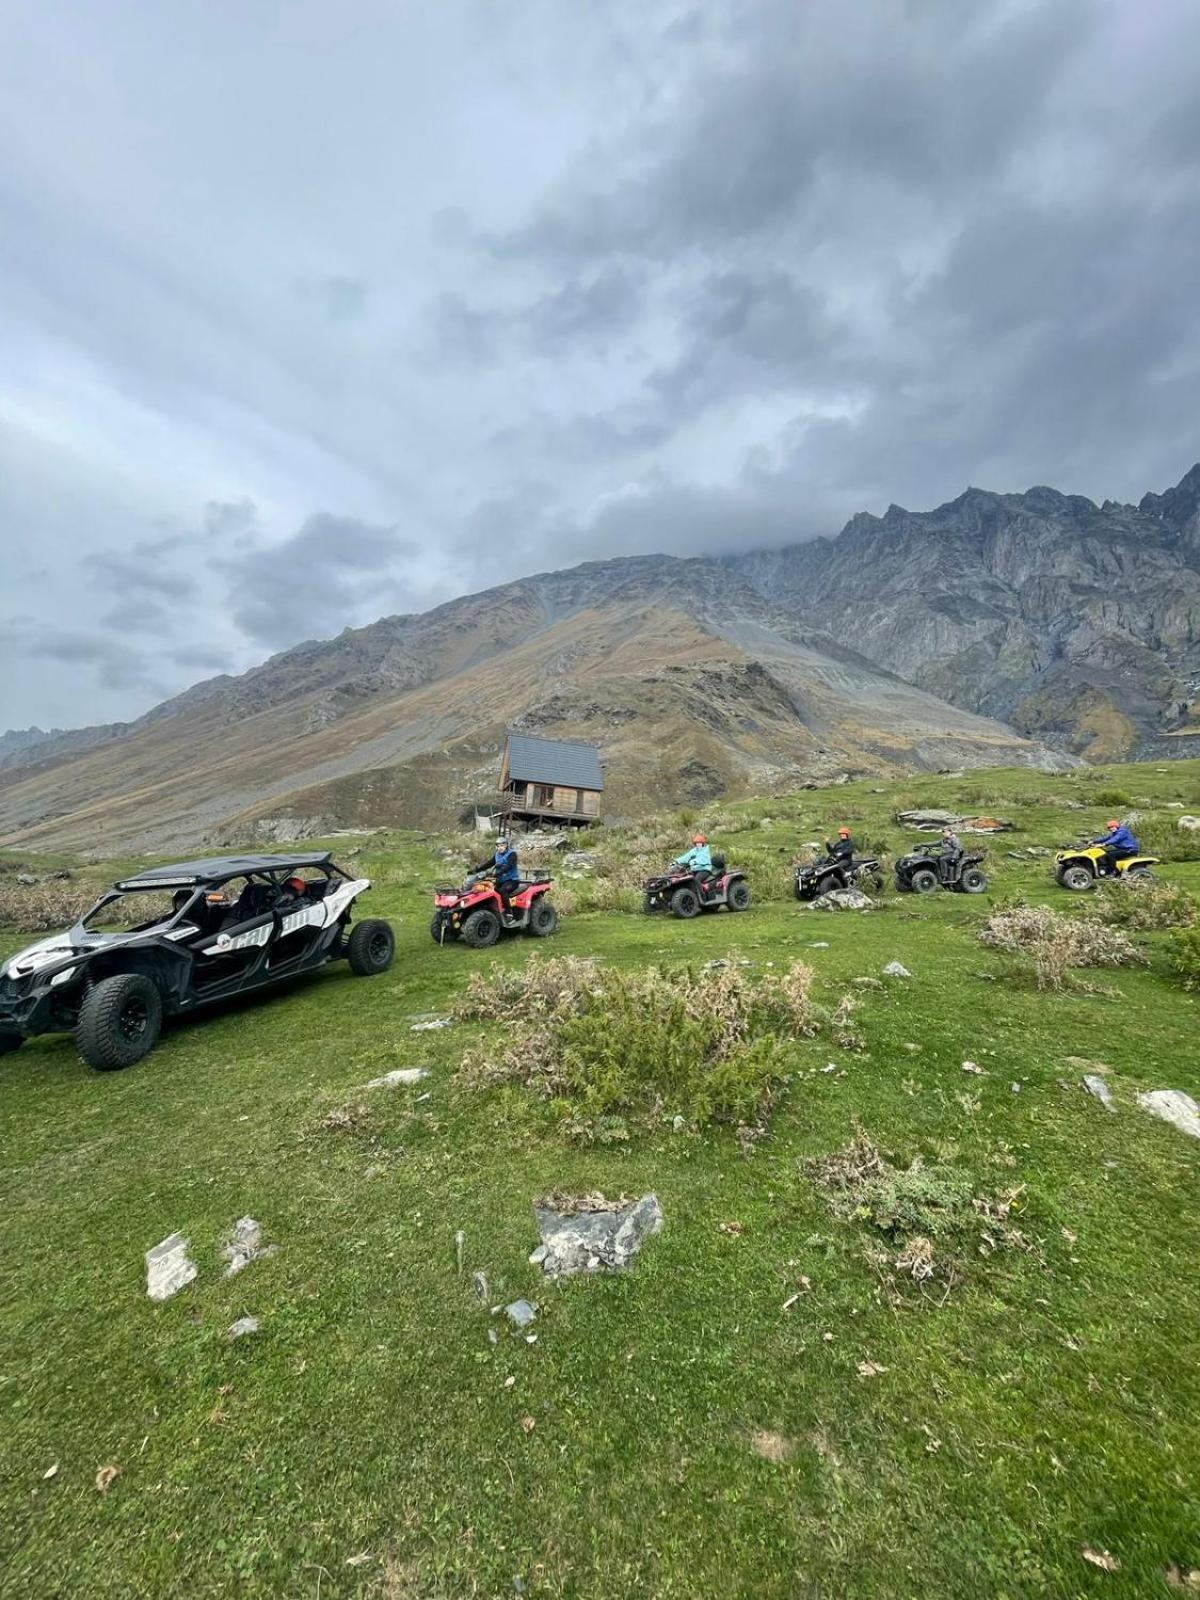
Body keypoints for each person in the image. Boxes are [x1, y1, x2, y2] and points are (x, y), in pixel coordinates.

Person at [472, 835, 520, 915]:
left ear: (506, 845)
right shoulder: (497, 854)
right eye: (498, 846)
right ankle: (495, 909)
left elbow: (509, 866)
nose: (500, 848)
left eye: (502, 845)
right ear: (496, 847)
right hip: (500, 880)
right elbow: (489, 863)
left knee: (502, 890)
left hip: (512, 881)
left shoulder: (512, 854)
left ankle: (509, 913)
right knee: (489, 890)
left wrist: (498, 872)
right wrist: (477, 870)